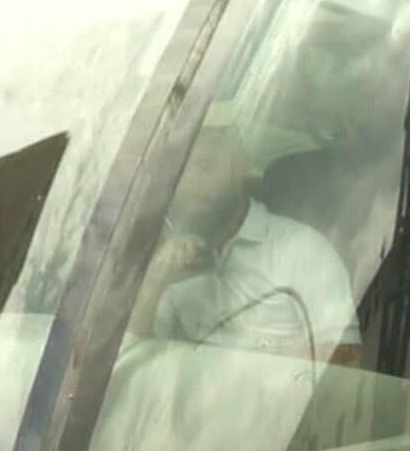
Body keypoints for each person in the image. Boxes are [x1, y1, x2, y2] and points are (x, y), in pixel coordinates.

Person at [127, 125, 359, 362]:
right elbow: (132, 359)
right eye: (180, 175)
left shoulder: (302, 249)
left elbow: (344, 357)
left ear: (240, 166)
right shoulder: (167, 266)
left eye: (205, 166)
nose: (191, 186)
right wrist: (152, 285)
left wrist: (262, 363)